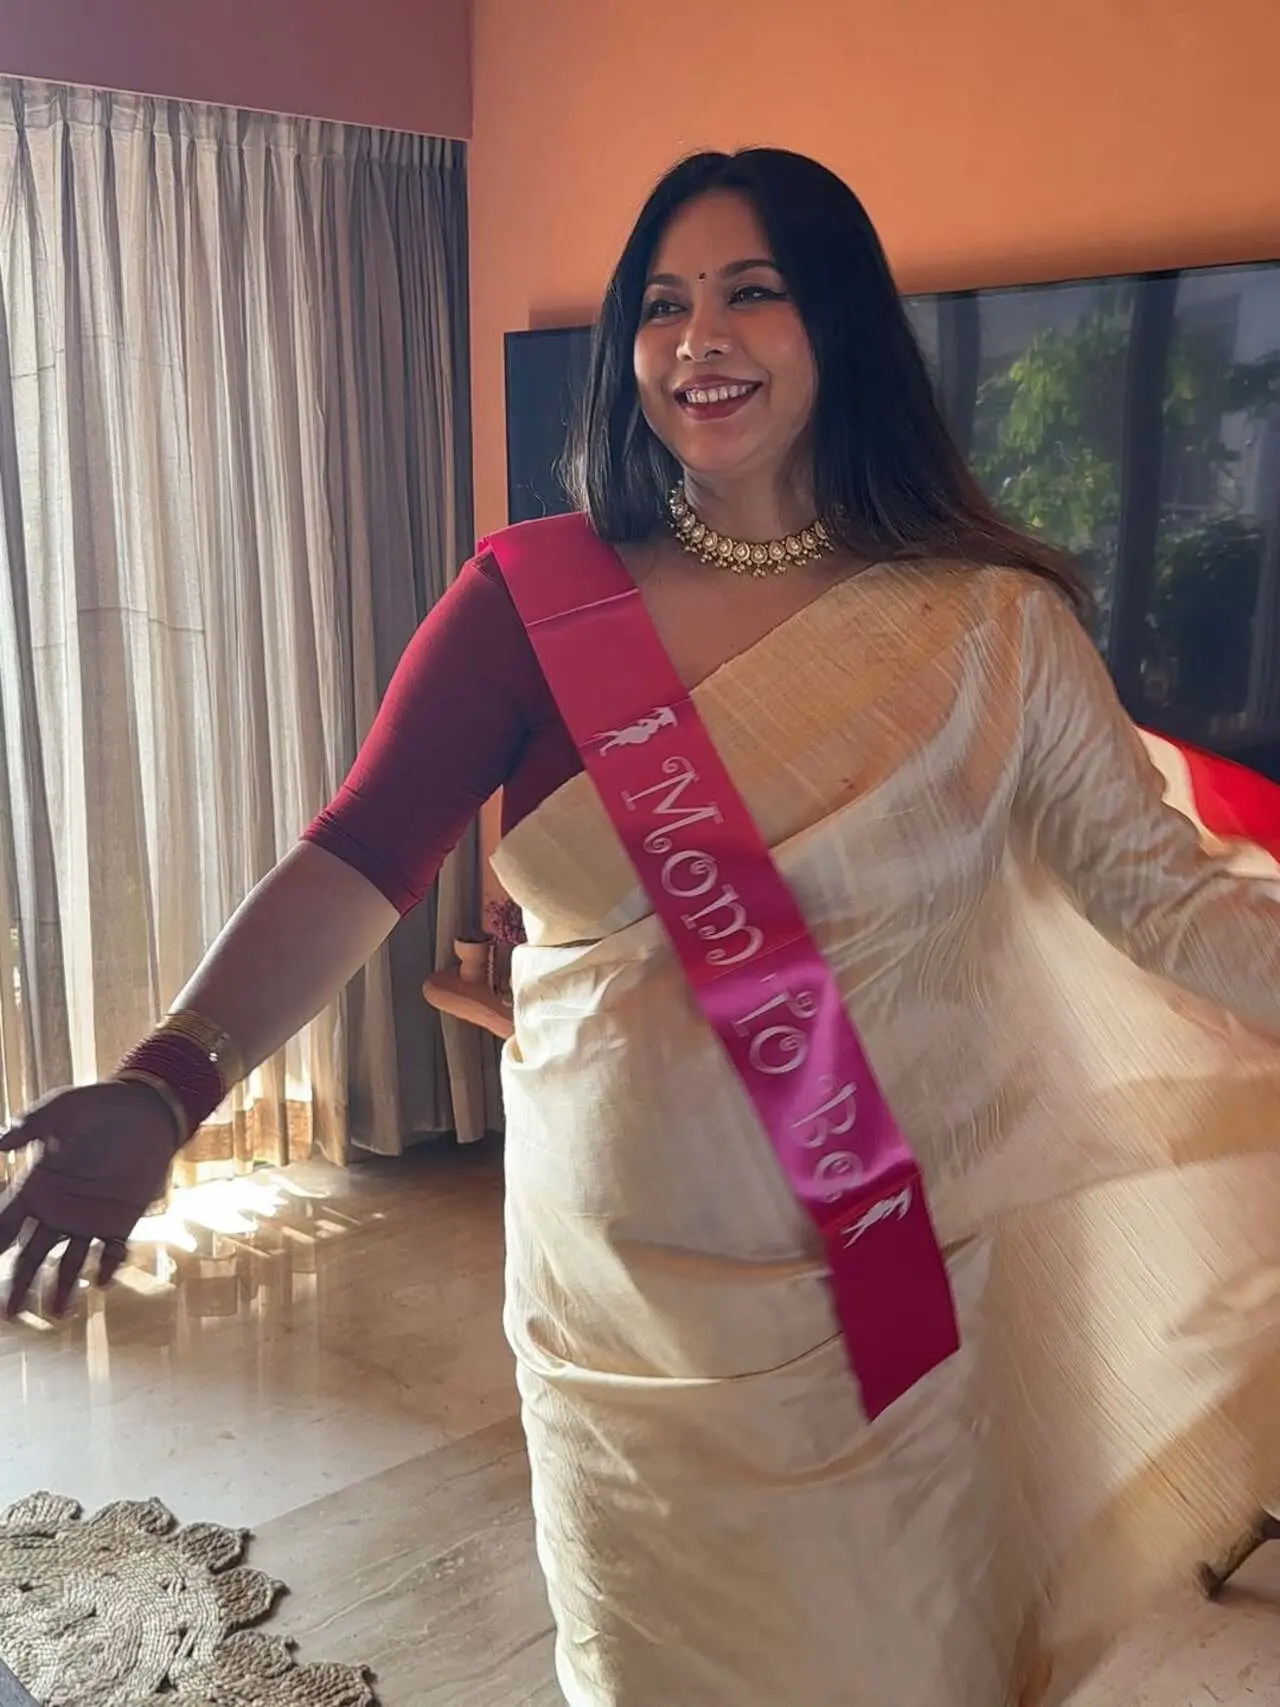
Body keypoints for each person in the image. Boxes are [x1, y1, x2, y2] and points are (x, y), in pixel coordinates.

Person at [3, 146, 1280, 1707]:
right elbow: (356, 858)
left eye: (754, 290)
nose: (698, 338)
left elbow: (1167, 896)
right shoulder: (534, 601)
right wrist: (167, 1081)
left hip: (881, 1317)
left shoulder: (991, 626)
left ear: (843, 328)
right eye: (663, 303)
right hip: (616, 1321)